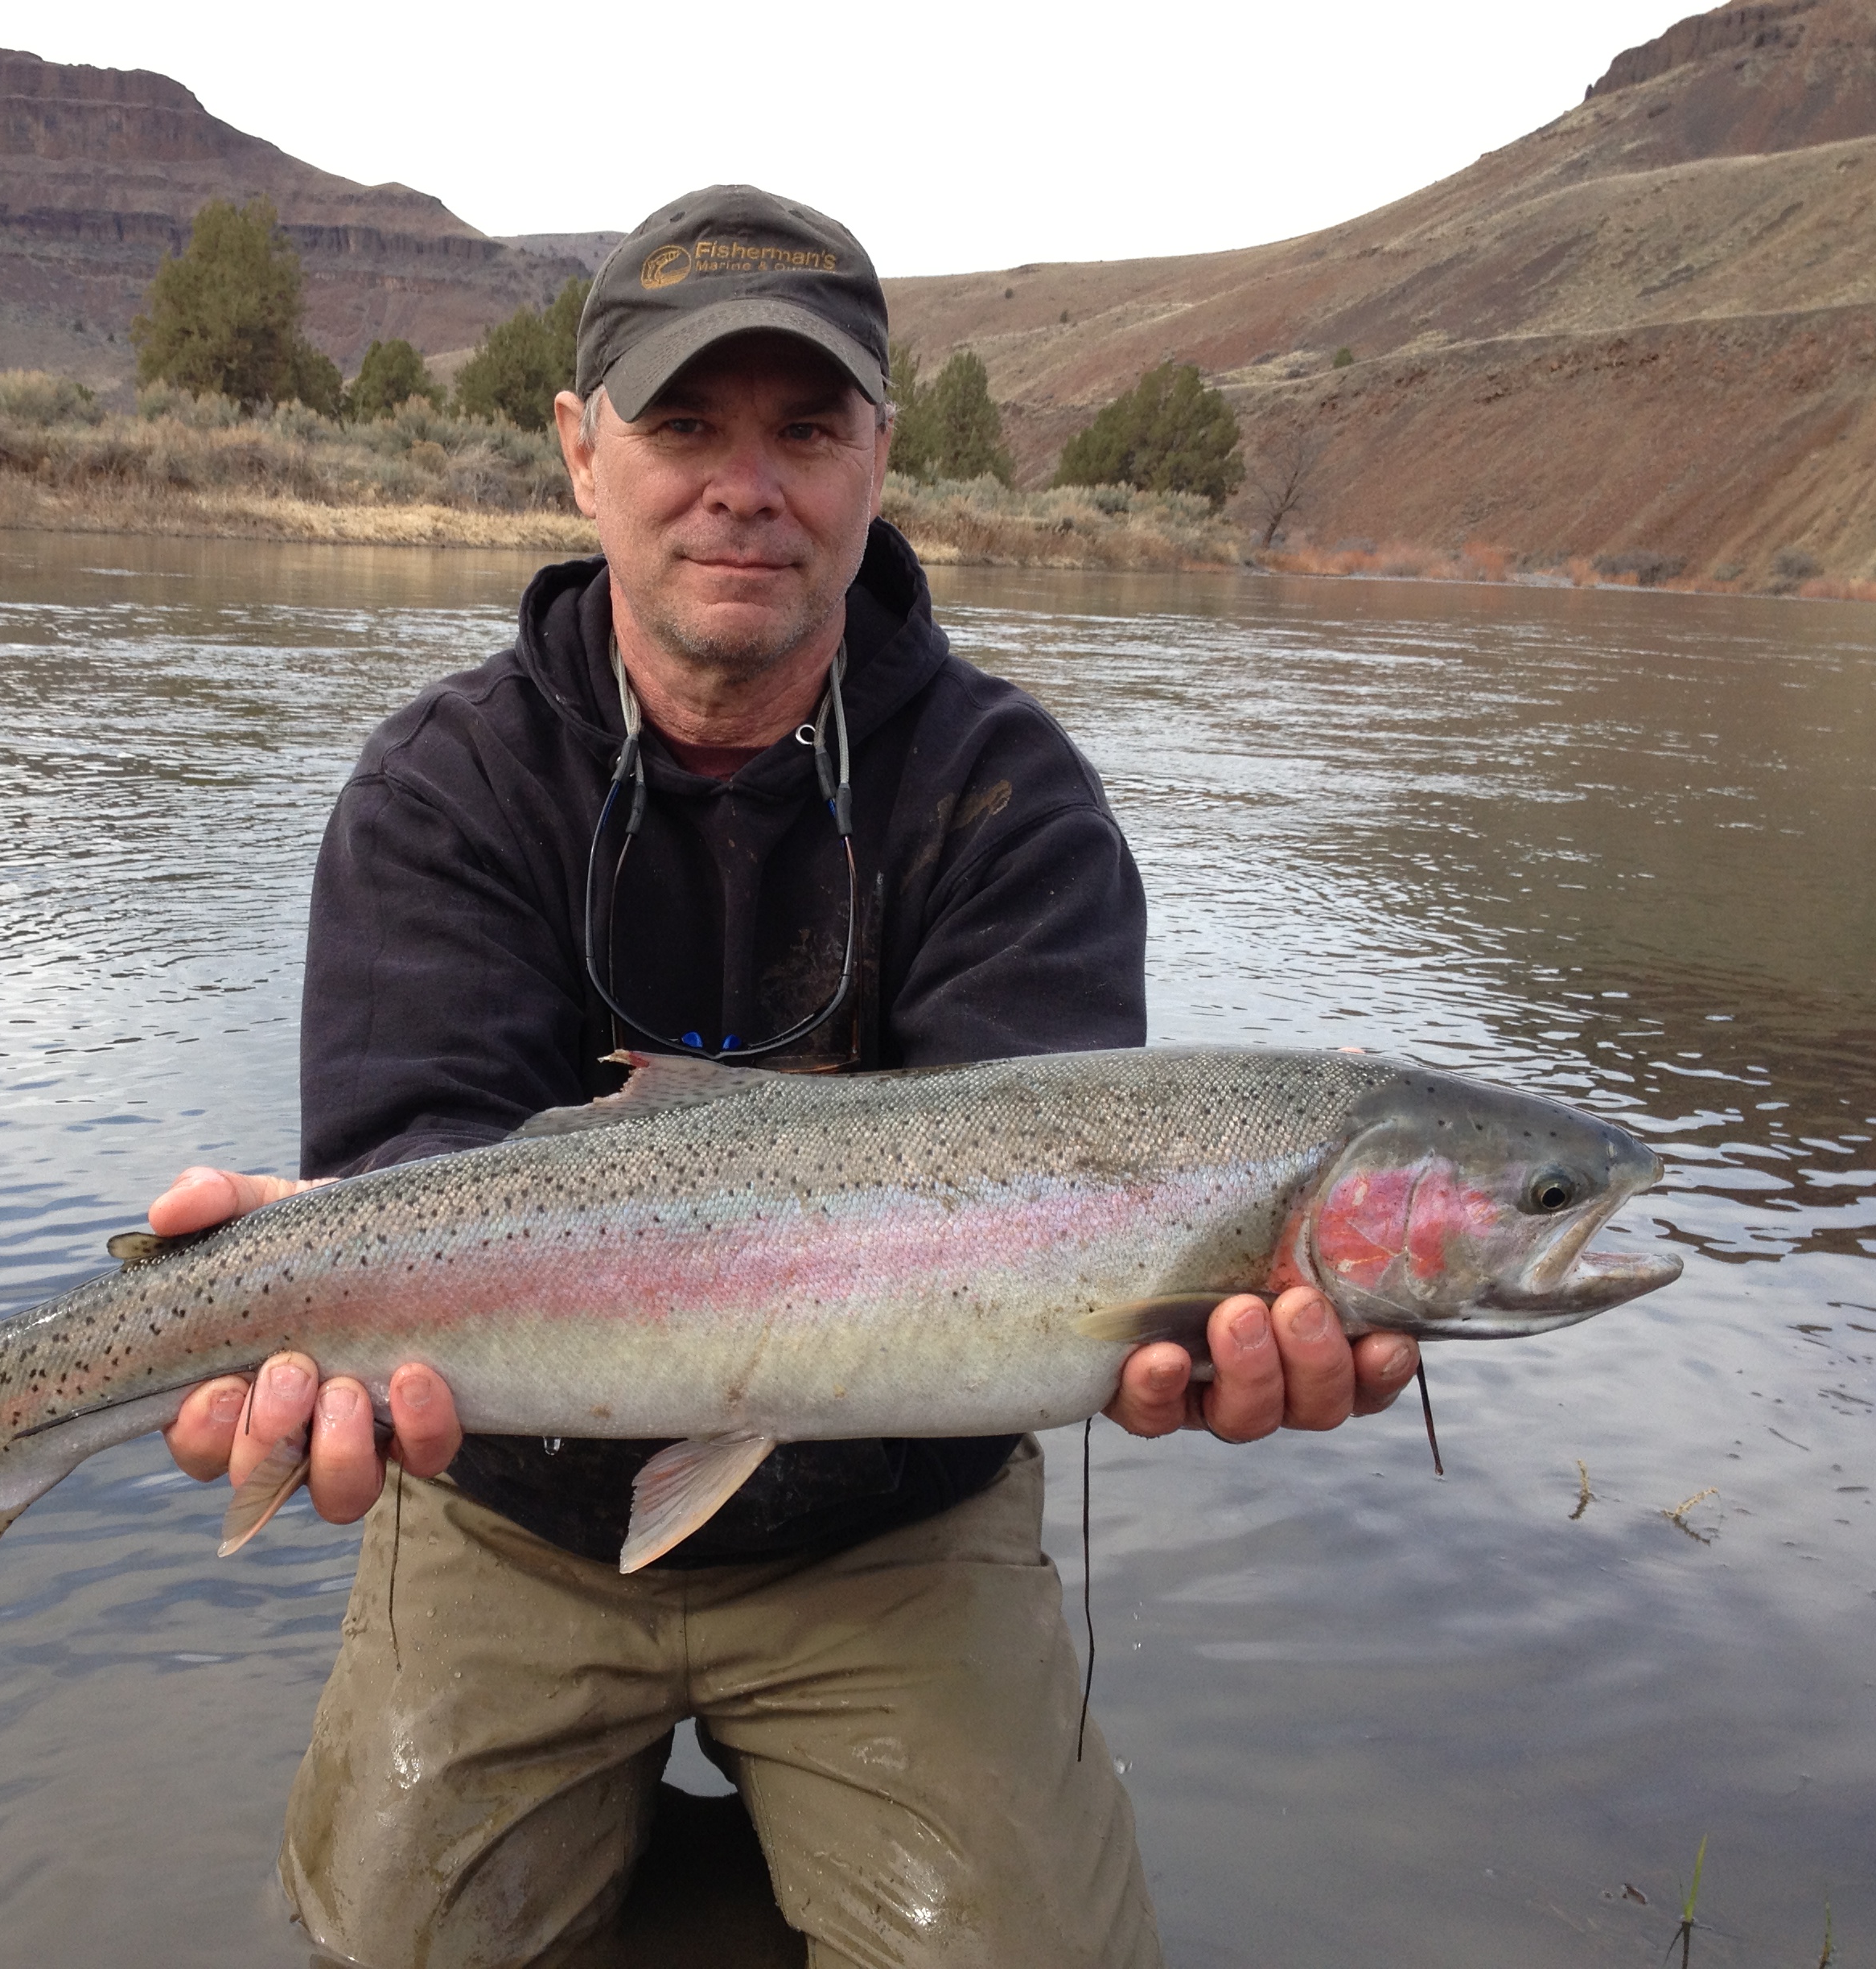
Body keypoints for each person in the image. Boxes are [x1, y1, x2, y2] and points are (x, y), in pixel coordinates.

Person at [146, 186, 1421, 1967]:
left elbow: (1052, 1199)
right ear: (582, 455)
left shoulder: (1008, 793)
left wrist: (1177, 1344)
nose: (747, 482)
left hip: (891, 1533)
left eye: (805, 429)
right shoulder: (445, 785)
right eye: (685, 426)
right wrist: (311, 1286)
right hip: (510, 1509)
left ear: (878, 461)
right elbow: (412, 1150)